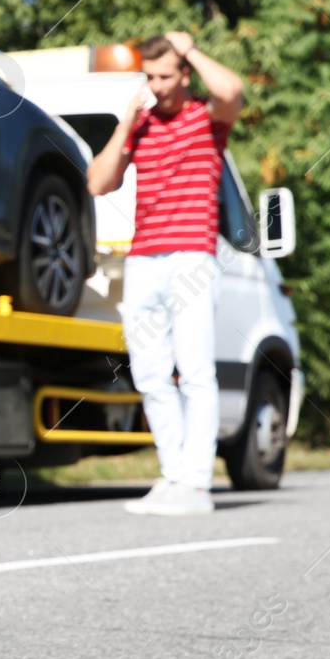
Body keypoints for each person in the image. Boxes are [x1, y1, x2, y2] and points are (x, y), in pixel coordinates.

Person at [86, 32, 244, 516]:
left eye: (165, 75)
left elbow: (233, 91)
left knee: (195, 371)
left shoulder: (205, 116)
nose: (157, 85)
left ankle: (197, 485)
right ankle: (173, 475)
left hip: (191, 256)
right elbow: (97, 181)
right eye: (150, 76)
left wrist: (190, 47)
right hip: (143, 259)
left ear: (184, 74)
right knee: (152, 374)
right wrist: (126, 123)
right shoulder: (142, 121)